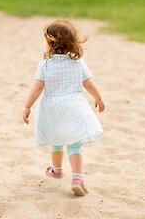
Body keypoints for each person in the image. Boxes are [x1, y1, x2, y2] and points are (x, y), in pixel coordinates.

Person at [23, 19, 105, 196]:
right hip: (74, 106)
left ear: (48, 43)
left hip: (52, 107)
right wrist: (98, 98)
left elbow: (37, 87)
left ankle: (57, 169)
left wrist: (27, 106)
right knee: (75, 145)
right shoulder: (78, 63)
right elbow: (88, 83)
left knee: (56, 141)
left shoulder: (45, 65)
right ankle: (77, 179)